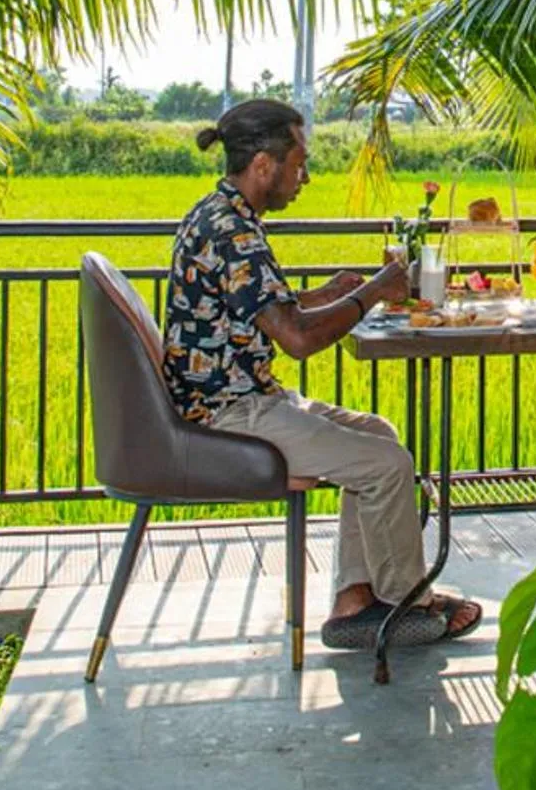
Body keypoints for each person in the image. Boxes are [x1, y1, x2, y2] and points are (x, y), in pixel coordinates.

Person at [165, 99, 482, 650]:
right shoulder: (233, 233)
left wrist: (329, 294)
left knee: (377, 435)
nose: (305, 176)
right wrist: (372, 292)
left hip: (241, 398)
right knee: (387, 464)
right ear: (264, 164)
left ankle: (354, 600)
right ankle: (410, 602)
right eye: (300, 162)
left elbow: (264, 310)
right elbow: (298, 339)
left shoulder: (223, 216)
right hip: (231, 413)